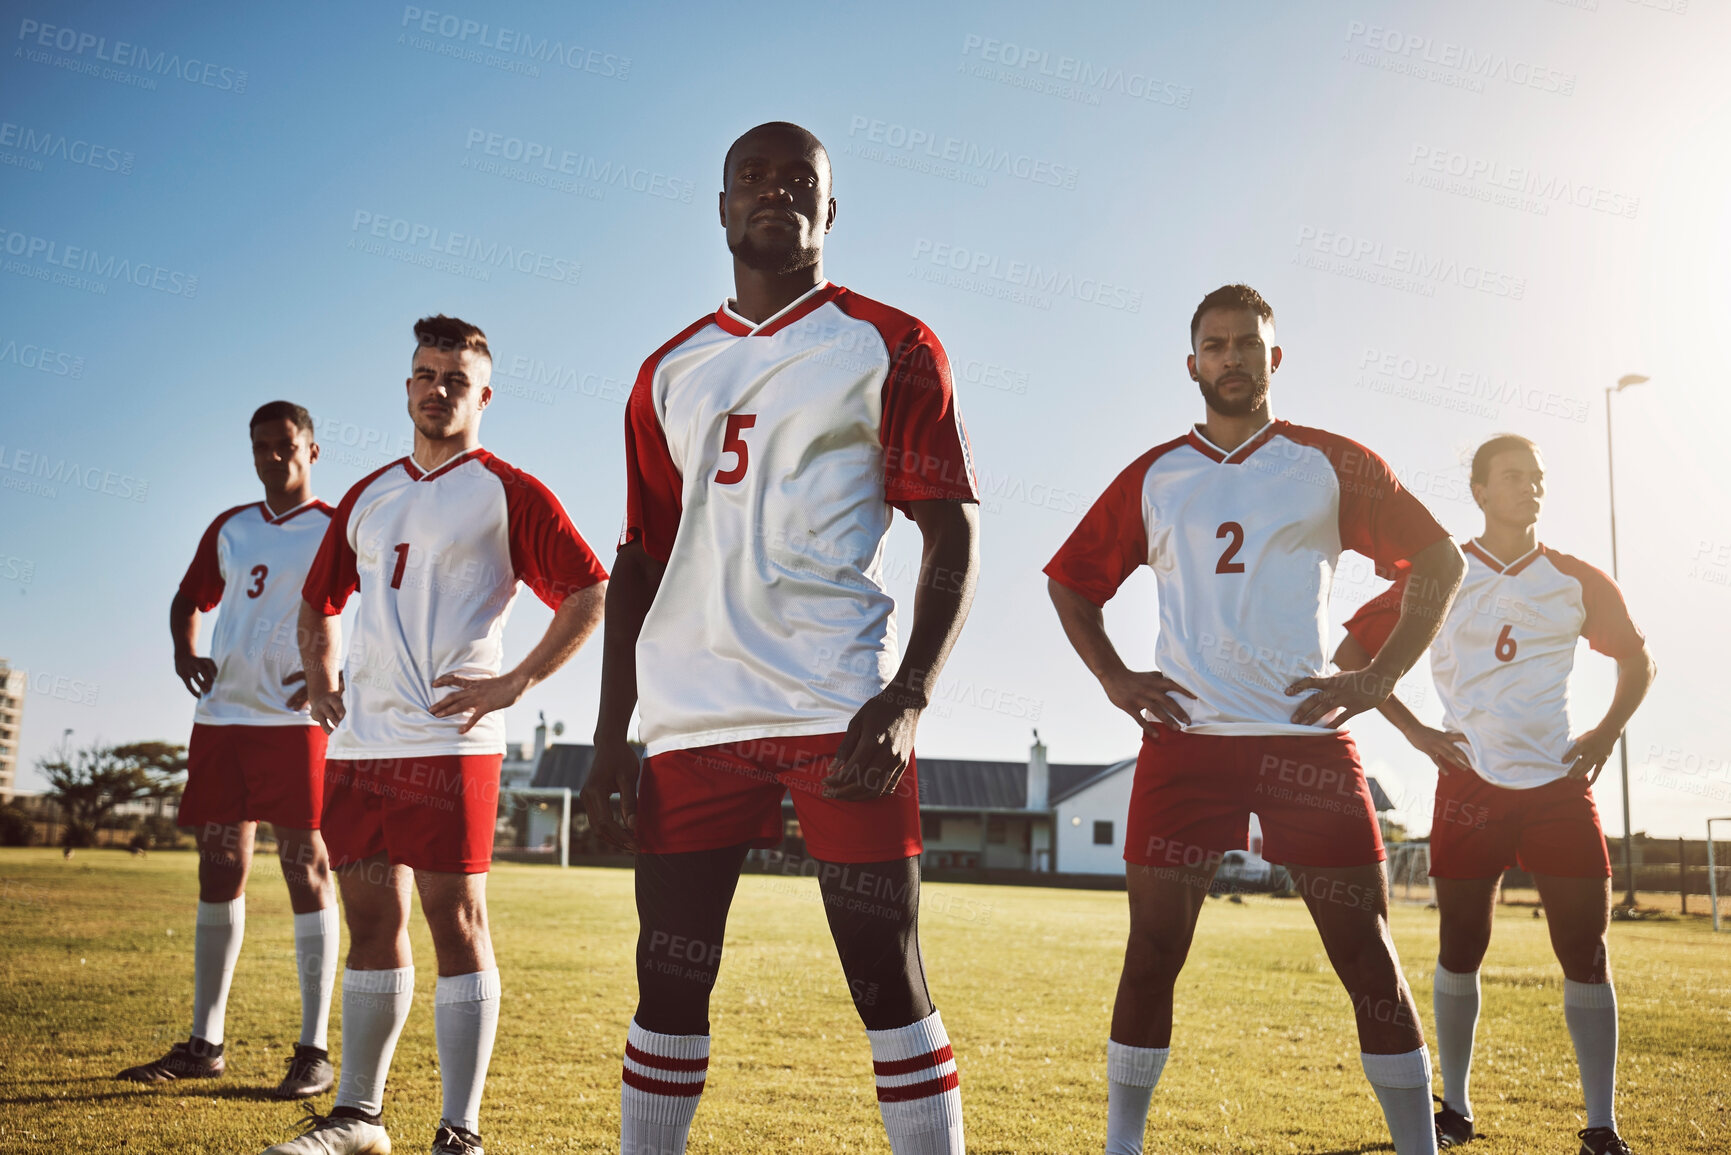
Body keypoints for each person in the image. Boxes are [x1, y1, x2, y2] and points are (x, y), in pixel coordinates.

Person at [579, 121, 980, 1155]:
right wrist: (610, 736)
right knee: (668, 976)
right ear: (720, 207)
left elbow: (951, 526)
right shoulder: (667, 370)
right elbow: (639, 561)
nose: (776, 193)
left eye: (801, 181)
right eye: (752, 178)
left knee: (885, 973)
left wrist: (908, 695)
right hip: (691, 719)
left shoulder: (890, 341)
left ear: (829, 211)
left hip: (834, 709)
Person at [1046, 284, 1466, 1155]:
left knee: (1367, 958)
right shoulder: (1155, 473)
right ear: (1191, 362)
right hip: (1185, 745)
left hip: (1304, 741)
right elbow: (1069, 580)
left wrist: (1377, 673)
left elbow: (1437, 558)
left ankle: (1417, 1144)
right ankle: (1121, 1144)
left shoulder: (1328, 463)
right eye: (1214, 345)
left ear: (1274, 360)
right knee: (1152, 952)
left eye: (1246, 344)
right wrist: (1115, 678)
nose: (1230, 357)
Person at [265, 315, 609, 1155]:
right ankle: (358, 1117)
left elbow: (590, 590)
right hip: (360, 744)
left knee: (455, 919)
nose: (437, 388)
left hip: (452, 742)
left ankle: (459, 1130)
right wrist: (319, 675)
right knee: (371, 915)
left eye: (455, 378)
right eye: (424, 374)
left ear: (482, 394)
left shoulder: (507, 490)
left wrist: (514, 681)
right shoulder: (369, 494)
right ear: (407, 385)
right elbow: (319, 601)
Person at [1335, 434, 1654, 1155]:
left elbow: (1638, 660)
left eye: (1536, 476)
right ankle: (1455, 1108)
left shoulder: (1573, 579)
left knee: (1586, 950)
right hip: (1468, 784)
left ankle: (1600, 1124)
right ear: (1477, 490)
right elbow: (1354, 655)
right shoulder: (1441, 573)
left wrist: (1603, 733)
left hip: (1556, 786)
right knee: (1459, 947)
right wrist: (1416, 732)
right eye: (1511, 476)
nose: (1528, 486)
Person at [118, 402, 340, 1099]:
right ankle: (204, 1043)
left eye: (287, 445)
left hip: (294, 722)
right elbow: (189, 597)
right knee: (220, 867)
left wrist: (340, 675)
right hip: (222, 721)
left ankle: (314, 1049)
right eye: (262, 447)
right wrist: (185, 647)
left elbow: (385, 609)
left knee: (305, 865)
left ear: (311, 448)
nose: (275, 457)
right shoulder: (232, 526)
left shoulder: (339, 527)